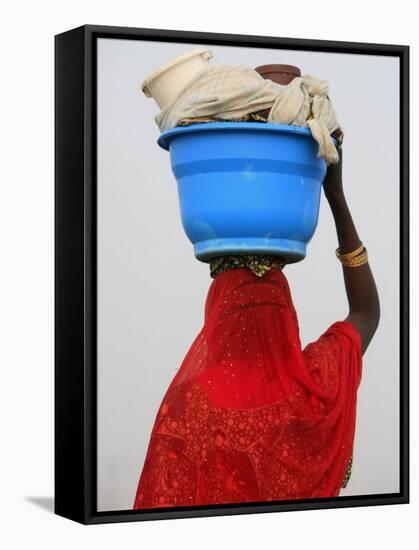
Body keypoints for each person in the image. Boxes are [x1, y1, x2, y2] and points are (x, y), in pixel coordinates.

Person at [133, 148, 380, 508]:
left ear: (217, 315)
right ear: (287, 315)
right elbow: (366, 312)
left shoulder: (190, 404)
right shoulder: (315, 390)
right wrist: (336, 197)